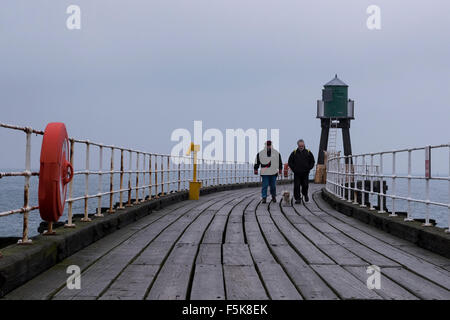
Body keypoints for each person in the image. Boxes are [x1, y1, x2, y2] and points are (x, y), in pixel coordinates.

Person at [288, 139, 315, 203]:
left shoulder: (308, 152)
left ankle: (305, 194)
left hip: (305, 173)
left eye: (302, 145)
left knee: (305, 185)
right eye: (300, 146)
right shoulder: (294, 153)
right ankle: (298, 198)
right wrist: (294, 169)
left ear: (304, 145)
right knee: (296, 186)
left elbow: (312, 161)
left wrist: (309, 168)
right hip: (297, 173)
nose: (301, 147)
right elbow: (290, 162)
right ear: (298, 145)